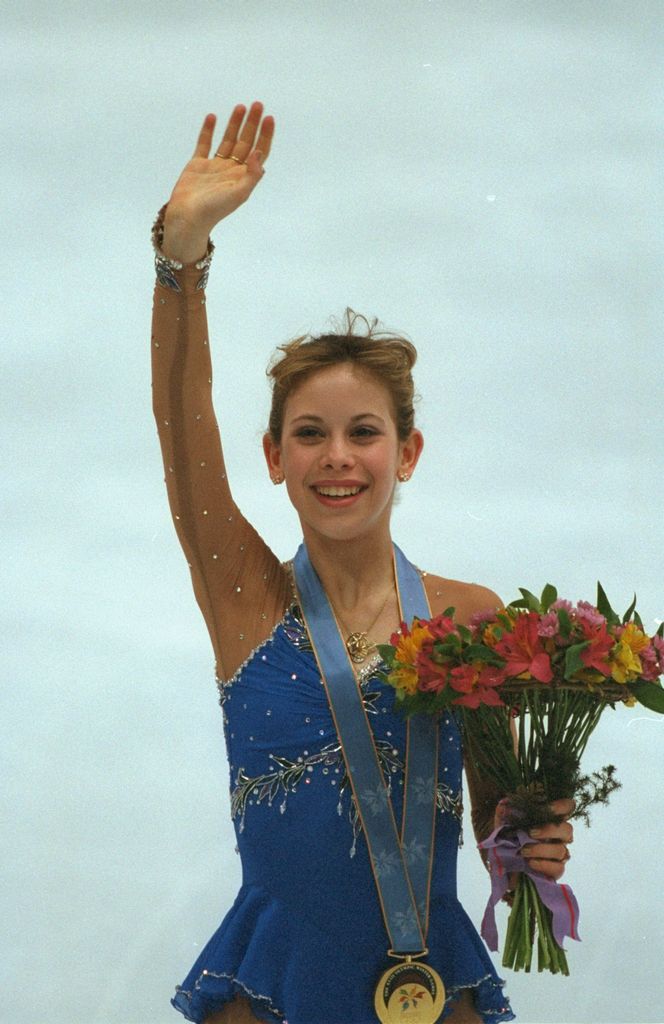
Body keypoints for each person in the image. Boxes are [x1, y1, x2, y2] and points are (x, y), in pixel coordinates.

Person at [151, 101, 574, 1024]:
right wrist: (181, 263)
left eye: (363, 433)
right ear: (274, 460)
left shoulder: (471, 619)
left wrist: (532, 844)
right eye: (309, 434)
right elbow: (185, 446)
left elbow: (500, 818)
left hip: (430, 978)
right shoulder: (248, 603)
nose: (337, 455)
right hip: (271, 978)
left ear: (407, 453)